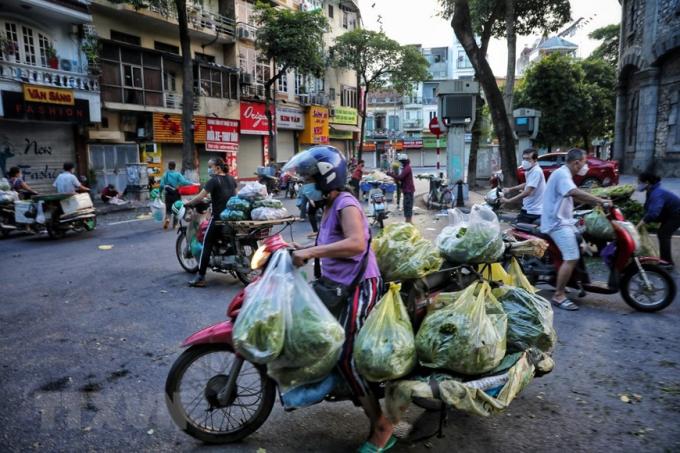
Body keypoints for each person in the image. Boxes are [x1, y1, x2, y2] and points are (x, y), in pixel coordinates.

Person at [284, 146, 396, 452]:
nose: (304, 183)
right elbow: (330, 241)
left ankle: (381, 426)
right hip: (338, 285)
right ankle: (345, 387)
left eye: (309, 178)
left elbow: (357, 243)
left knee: (347, 356)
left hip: (360, 286)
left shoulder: (346, 202)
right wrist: (298, 245)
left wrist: (311, 252)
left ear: (327, 179)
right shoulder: (328, 206)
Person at [540, 148, 608, 311]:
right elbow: (573, 192)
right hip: (556, 224)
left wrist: (594, 202)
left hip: (565, 221)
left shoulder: (565, 175)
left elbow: (574, 196)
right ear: (577, 163)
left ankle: (574, 281)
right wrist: (601, 200)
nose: (586, 167)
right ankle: (558, 295)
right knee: (571, 256)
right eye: (585, 163)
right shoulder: (562, 174)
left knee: (582, 246)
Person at [185, 158, 237, 287]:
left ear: (217, 168)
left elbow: (200, 197)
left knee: (207, 243)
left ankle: (201, 277)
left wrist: (189, 203)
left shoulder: (213, 181)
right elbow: (233, 197)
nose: (208, 169)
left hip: (218, 219)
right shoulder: (231, 179)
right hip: (231, 218)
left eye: (210, 166)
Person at [636, 172, 680, 268]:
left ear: (647, 182)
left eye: (639, 182)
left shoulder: (656, 193)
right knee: (662, 233)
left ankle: (667, 262)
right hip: (670, 214)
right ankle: (665, 260)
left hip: (676, 215)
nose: (638, 185)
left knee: (664, 234)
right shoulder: (651, 190)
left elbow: (654, 212)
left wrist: (641, 223)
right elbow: (649, 208)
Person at [501, 148, 545, 224]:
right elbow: (527, 183)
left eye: (528, 159)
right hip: (530, 208)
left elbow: (527, 192)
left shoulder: (536, 171)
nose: (525, 161)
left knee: (518, 231)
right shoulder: (530, 170)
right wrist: (510, 189)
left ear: (535, 160)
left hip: (532, 211)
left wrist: (509, 201)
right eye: (524, 158)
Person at [160, 161, 191, 229]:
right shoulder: (177, 174)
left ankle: (167, 219)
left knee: (168, 210)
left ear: (168, 166)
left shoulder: (165, 174)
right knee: (177, 209)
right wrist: (191, 183)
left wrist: (160, 193)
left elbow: (161, 185)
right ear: (175, 166)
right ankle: (175, 225)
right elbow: (183, 182)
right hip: (176, 194)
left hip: (168, 195)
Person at [390, 154, 415, 223]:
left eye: (401, 161)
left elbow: (400, 177)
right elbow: (401, 179)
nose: (400, 163)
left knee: (408, 206)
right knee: (406, 206)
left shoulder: (407, 168)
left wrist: (390, 174)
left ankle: (408, 222)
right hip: (406, 190)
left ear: (404, 161)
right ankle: (408, 222)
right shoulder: (405, 167)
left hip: (408, 190)